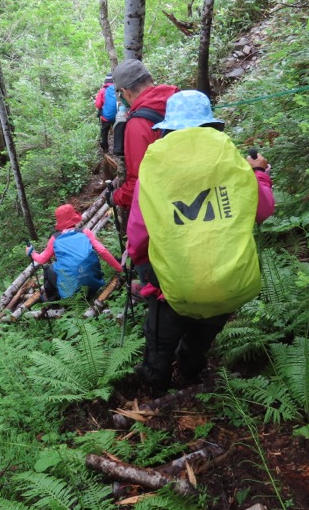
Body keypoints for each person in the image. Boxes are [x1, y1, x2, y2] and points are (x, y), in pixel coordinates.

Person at [126, 90, 275, 395]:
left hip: (172, 285)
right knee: (202, 335)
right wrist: (258, 174)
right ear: (213, 128)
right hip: (227, 281)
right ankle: (191, 374)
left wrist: (143, 270)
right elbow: (262, 210)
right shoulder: (233, 165)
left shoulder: (154, 172)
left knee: (160, 341)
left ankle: (157, 391)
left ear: (167, 130)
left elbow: (139, 232)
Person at [107, 59, 179, 211]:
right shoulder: (180, 100)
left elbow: (140, 183)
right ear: (150, 79)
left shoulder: (138, 124)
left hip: (171, 203)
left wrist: (116, 197)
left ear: (126, 92)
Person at [26, 204, 123, 301]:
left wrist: (32, 253)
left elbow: (42, 259)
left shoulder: (55, 238)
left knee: (48, 269)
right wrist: (120, 269)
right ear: (74, 218)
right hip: (94, 285)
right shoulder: (85, 232)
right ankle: (91, 287)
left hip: (70, 291)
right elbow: (102, 251)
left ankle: (53, 300)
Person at [94, 73, 116, 153]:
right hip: (118, 116)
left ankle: (105, 147)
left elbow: (98, 104)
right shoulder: (118, 89)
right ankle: (118, 148)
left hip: (106, 117)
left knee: (104, 130)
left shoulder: (103, 90)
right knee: (117, 130)